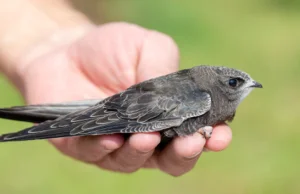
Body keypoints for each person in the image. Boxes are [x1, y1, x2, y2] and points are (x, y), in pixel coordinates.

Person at [0, 0, 232, 176]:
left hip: (117, 106)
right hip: (123, 108)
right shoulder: (198, 97)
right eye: (235, 84)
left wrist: (46, 44)